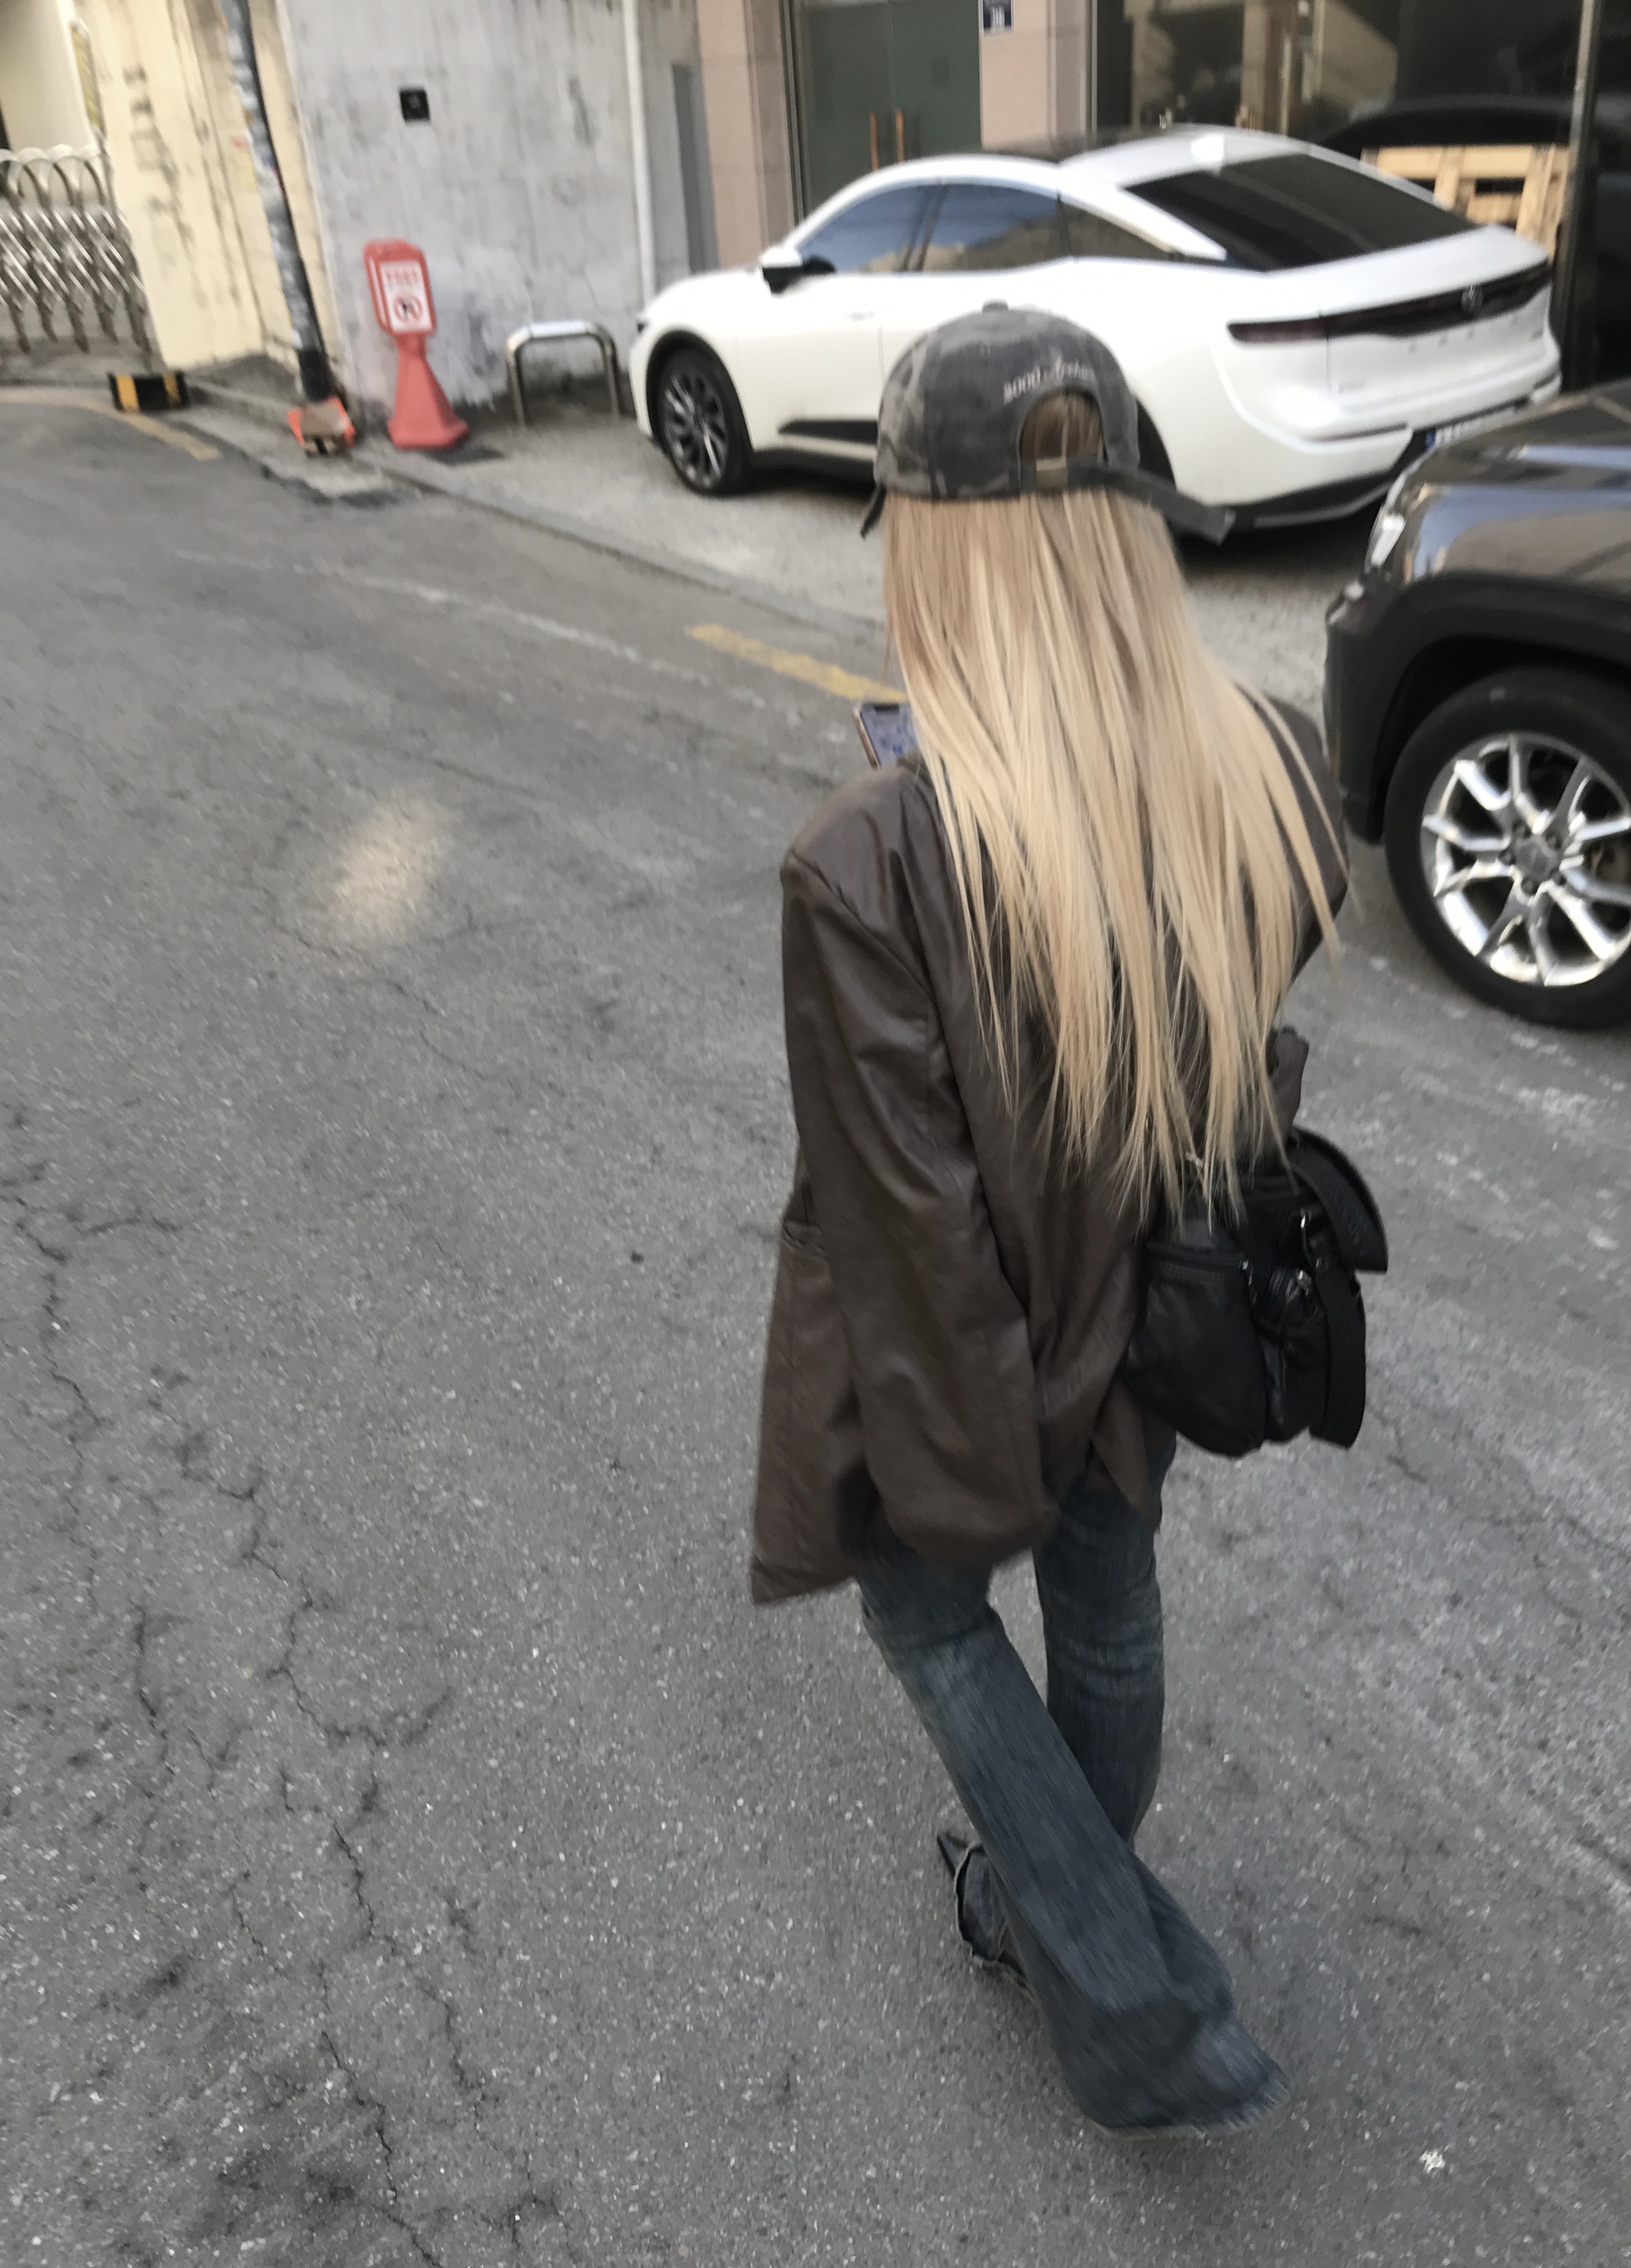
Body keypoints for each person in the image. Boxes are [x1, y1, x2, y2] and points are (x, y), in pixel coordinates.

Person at [750, 308, 1347, 2136]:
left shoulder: (871, 855)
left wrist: (957, 1500)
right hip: (1155, 1308)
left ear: (935, 552)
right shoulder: (1274, 766)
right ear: (1130, 536)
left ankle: (1121, 1984)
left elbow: (915, 1240)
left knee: (926, 1612)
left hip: (999, 1333)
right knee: (1109, 1583)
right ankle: (1044, 1906)